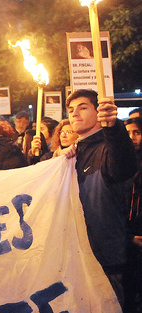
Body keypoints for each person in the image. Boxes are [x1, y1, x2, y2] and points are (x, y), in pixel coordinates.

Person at [65, 89, 137, 307]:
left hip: (107, 261)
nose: (75, 114)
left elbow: (124, 163)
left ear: (99, 112)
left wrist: (113, 128)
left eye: (83, 107)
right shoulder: (71, 155)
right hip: (77, 260)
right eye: (70, 110)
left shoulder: (107, 150)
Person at [124, 117, 142, 312]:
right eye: (127, 133)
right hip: (127, 232)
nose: (132, 137)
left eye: (136, 132)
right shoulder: (121, 162)